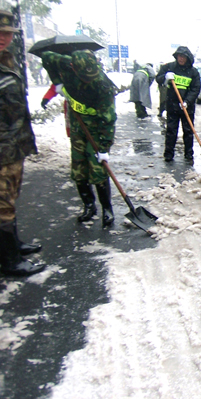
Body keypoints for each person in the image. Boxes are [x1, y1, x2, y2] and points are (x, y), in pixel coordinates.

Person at [41, 49, 117, 228]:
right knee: (78, 168)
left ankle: (107, 209)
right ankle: (89, 206)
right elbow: (46, 58)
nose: (88, 78)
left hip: (96, 130)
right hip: (77, 126)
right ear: (74, 68)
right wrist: (57, 82)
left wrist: (104, 148)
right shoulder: (65, 63)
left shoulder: (103, 85)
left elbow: (108, 119)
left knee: (98, 169)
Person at [0, 9, 46, 276]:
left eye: (7, 33)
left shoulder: (7, 60)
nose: (4, 38)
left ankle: (13, 245)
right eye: (0, 33)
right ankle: (9, 261)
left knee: (10, 197)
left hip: (13, 146)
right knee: (2, 203)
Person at [155, 46, 201, 162]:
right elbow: (158, 79)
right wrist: (165, 77)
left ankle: (189, 154)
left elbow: (196, 88)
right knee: (171, 130)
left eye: (183, 57)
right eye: (179, 56)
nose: (181, 59)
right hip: (172, 104)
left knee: (188, 130)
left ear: (187, 58)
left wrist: (187, 101)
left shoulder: (193, 72)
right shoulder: (169, 67)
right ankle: (169, 154)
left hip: (187, 106)